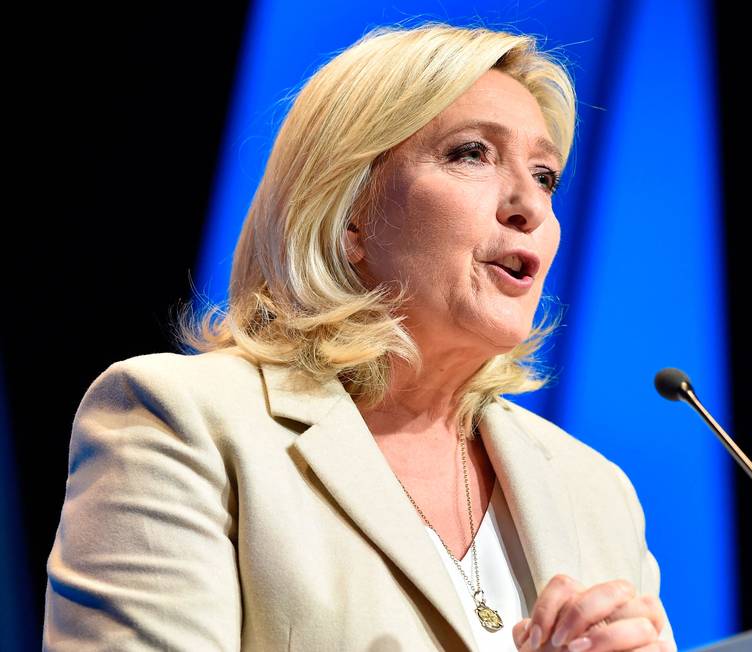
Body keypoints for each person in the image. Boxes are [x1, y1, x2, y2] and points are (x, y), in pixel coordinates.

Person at [43, 22, 675, 651]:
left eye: (545, 176)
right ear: (349, 212)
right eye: (472, 153)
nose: (530, 206)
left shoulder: (597, 492)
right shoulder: (182, 422)